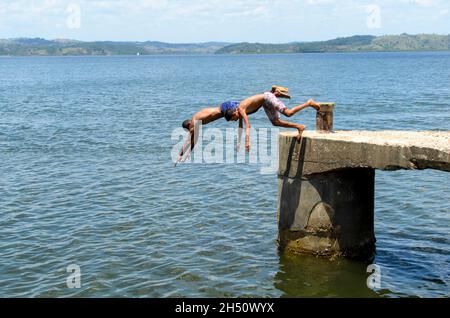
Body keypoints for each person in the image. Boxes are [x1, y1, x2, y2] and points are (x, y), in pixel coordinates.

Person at [236, 86, 321, 151]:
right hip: (265, 102)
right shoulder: (239, 113)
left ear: (234, 113)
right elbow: (240, 127)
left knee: (288, 113)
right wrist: (239, 142)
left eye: (234, 119)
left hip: (268, 98)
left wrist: (247, 141)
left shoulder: (241, 109)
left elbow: (247, 125)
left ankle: (309, 103)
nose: (235, 120)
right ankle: (299, 127)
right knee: (275, 122)